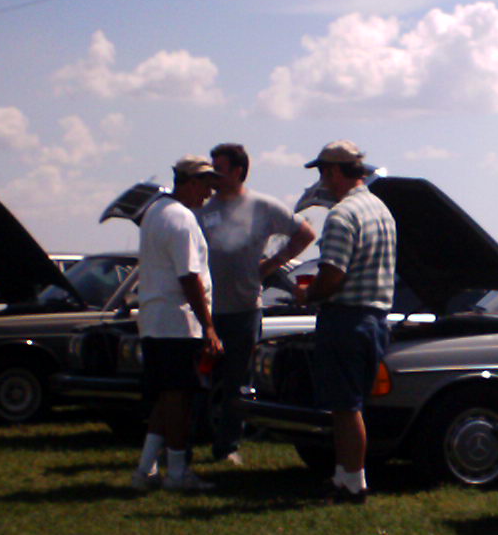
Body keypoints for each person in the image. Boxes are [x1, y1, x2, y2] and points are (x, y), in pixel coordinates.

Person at [293, 140, 396, 503]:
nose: (321, 180)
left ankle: (353, 484)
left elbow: (333, 275)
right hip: (375, 319)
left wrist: (308, 294)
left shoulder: (341, 215)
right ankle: (343, 477)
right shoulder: (381, 210)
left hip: (345, 318)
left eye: (323, 171)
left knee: (345, 407)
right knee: (351, 404)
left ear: (336, 171)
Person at [200, 142, 315, 465]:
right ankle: (189, 441)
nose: (213, 176)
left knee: (237, 381)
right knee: (201, 380)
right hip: (206, 310)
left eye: (219, 169)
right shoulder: (204, 210)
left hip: (244, 309)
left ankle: (228, 445)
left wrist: (273, 263)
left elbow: (305, 233)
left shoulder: (262, 206)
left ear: (238, 171)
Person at [131, 155, 225, 493]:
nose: (209, 193)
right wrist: (209, 326)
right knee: (179, 399)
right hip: (177, 322)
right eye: (205, 185)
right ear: (190, 182)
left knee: (166, 396)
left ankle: (146, 469)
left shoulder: (154, 211)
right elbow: (188, 276)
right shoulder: (182, 218)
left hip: (155, 320)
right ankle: (177, 471)